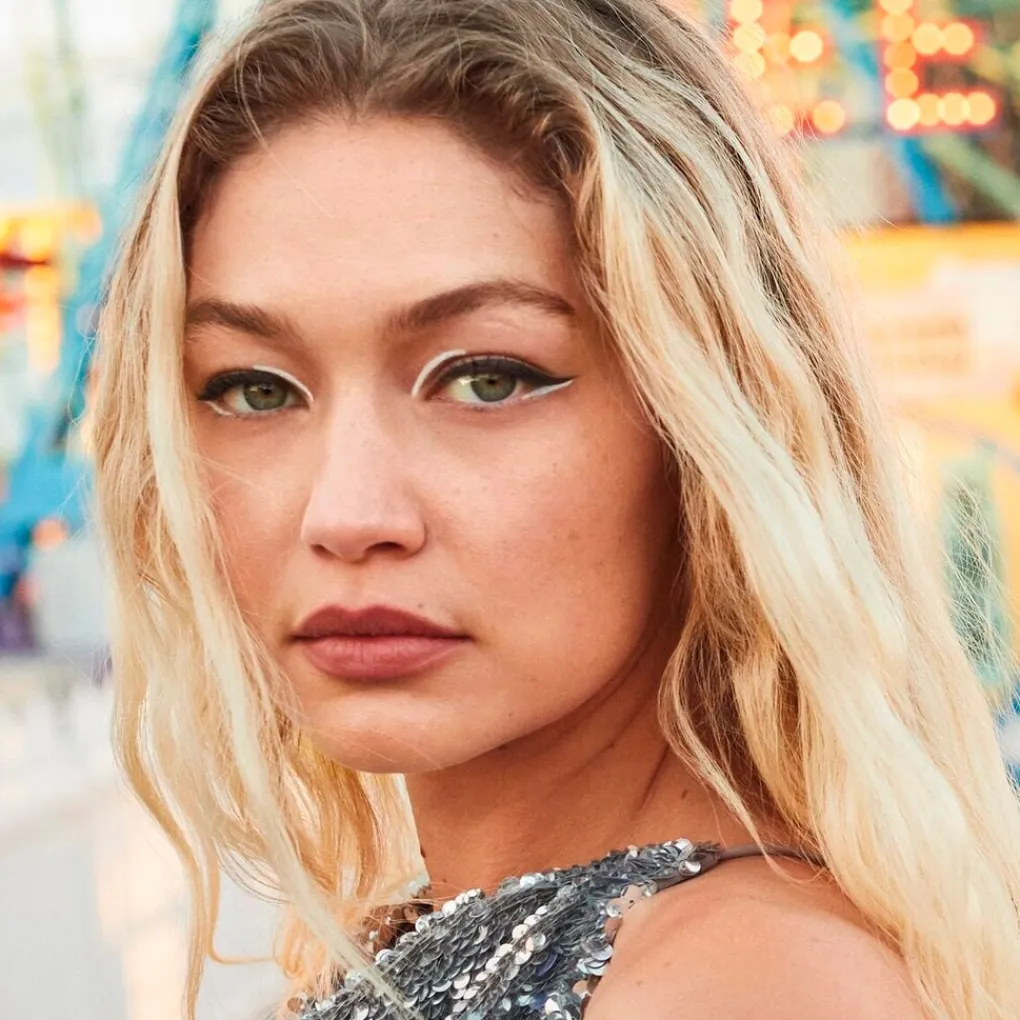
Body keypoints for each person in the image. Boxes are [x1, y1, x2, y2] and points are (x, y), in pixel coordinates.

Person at [91, 1, 1020, 1017]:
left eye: (487, 379)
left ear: (704, 422)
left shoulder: (739, 986)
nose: (346, 512)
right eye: (254, 388)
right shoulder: (479, 927)